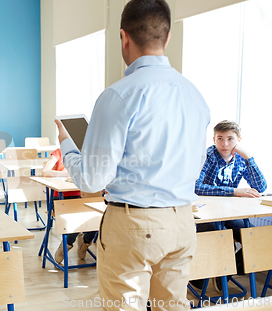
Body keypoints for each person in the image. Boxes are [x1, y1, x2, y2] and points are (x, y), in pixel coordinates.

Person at [55, 0, 210, 309]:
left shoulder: (119, 94)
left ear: (124, 38)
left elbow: (91, 179)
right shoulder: (194, 93)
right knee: (173, 306)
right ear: (167, 38)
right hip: (182, 220)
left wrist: (67, 143)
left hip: (134, 224)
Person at [193, 120, 267, 290]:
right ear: (214, 139)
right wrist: (234, 191)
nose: (224, 144)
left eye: (230, 139)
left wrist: (248, 157)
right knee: (221, 239)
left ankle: (226, 273)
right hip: (206, 214)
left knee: (254, 239)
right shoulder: (208, 156)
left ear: (238, 141)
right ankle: (199, 278)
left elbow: (261, 187)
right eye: (220, 138)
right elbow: (196, 187)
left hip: (229, 213)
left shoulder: (241, 159)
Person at [43, 149, 97, 264]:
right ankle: (66, 245)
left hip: (82, 195)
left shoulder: (87, 152)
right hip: (61, 197)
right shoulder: (59, 152)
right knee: (75, 220)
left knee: (97, 217)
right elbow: (45, 171)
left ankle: (85, 243)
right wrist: (67, 173)